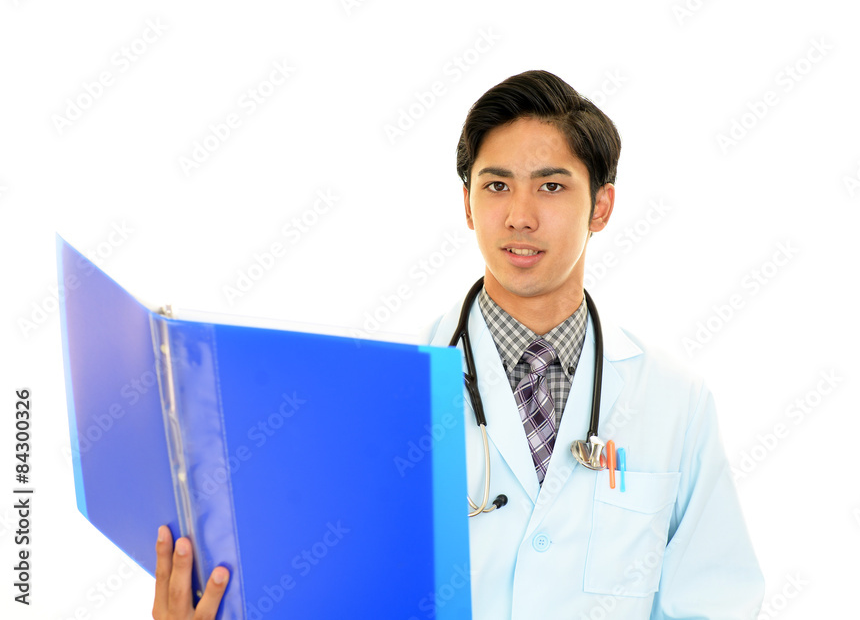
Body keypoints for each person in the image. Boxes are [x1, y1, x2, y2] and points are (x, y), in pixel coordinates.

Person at [153, 70, 764, 619]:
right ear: (468, 204)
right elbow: (334, 587)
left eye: (551, 187)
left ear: (601, 206)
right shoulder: (384, 387)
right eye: (496, 186)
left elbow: (716, 602)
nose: (520, 216)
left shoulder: (673, 400)